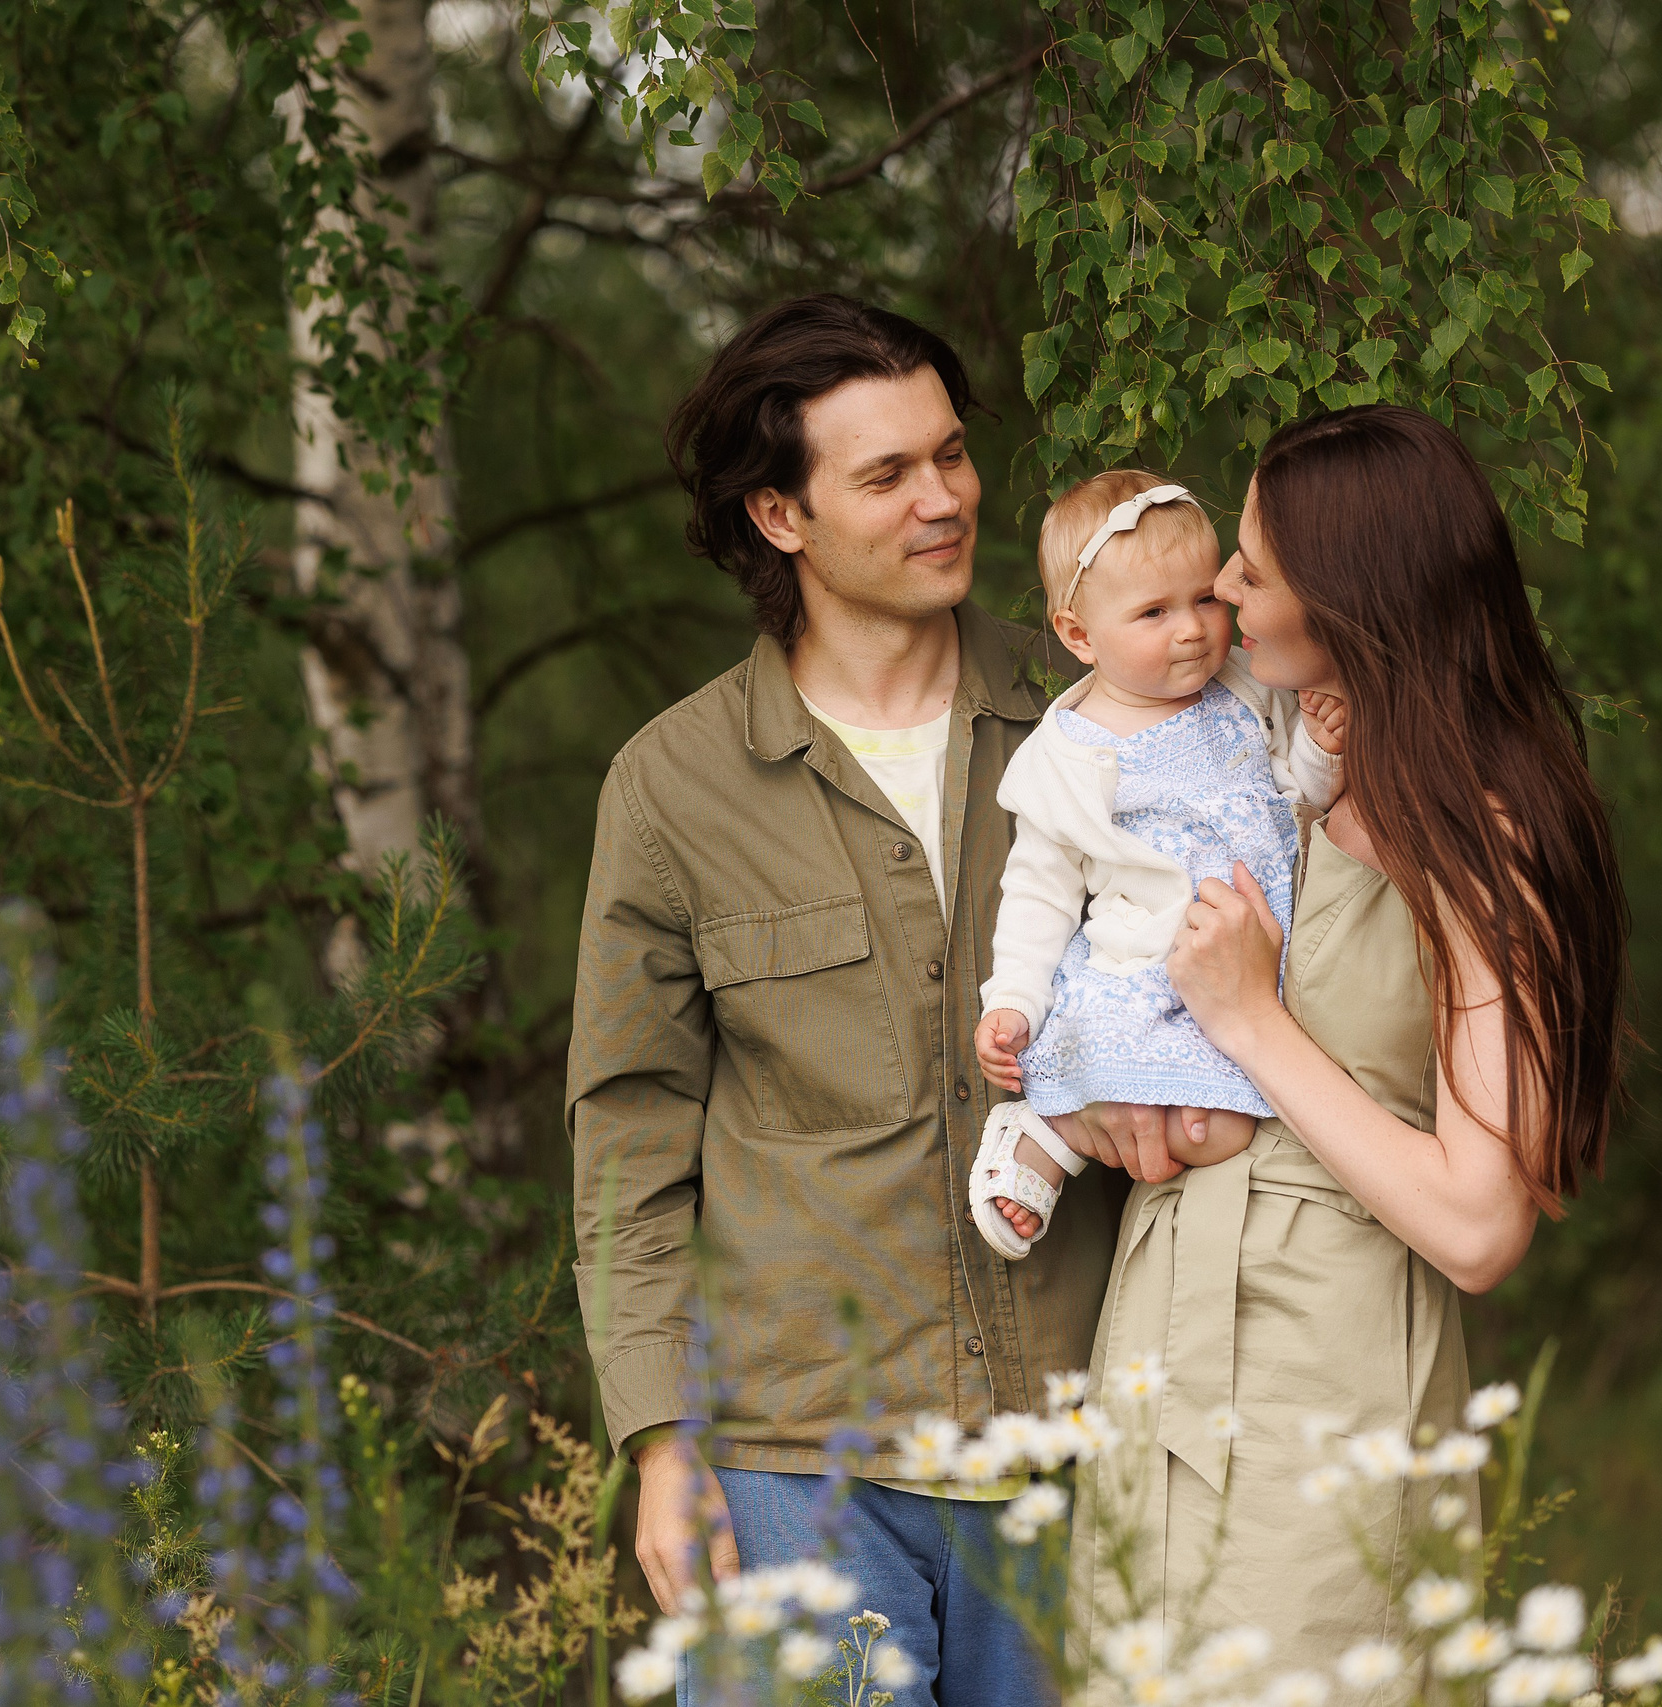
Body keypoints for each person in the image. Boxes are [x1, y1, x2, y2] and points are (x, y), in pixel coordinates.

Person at [567, 294, 1114, 1704]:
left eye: (950, 454)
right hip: (791, 1467)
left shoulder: (1096, 709)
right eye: (887, 475)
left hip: (1074, 1434)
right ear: (780, 515)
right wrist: (659, 1445)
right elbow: (631, 1135)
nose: (944, 499)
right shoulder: (672, 783)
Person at [1066, 403, 1630, 1668]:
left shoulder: (1493, 835)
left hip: (1323, 1401)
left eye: (1252, 571)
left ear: (1350, 597)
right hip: (1153, 1368)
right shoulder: (1255, 766)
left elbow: (1481, 1226)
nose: (1217, 588)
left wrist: (1252, 1025)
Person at [962, 471, 1345, 1260]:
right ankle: (1048, 1127)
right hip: (1146, 961)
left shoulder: (1243, 692)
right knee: (1211, 1130)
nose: (1193, 630)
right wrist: (1014, 1001)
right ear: (1079, 636)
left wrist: (1323, 745)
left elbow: (1299, 802)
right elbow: (1037, 895)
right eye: (1153, 612)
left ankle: (1084, 1122)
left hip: (1255, 949)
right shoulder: (1068, 757)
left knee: (1228, 1127)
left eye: (1205, 598)